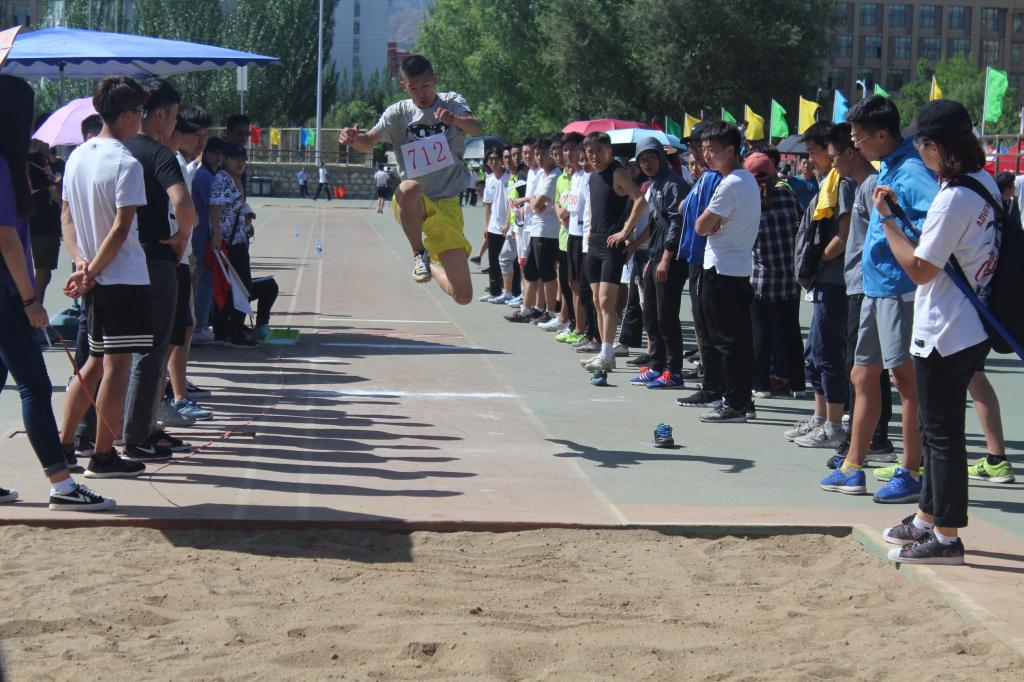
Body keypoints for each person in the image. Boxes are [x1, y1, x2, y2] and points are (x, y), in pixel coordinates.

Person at [876, 100, 999, 565]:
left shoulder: (953, 198)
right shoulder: (982, 182)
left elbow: (921, 268)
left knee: (943, 436)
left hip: (946, 330)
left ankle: (946, 536)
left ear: (936, 147)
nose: (919, 152)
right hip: (969, 325)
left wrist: (888, 220)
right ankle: (928, 517)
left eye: (922, 144)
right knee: (935, 430)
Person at [0, 74, 117, 510]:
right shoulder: (2, 165)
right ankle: (63, 484)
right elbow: (6, 238)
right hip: (6, 294)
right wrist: (31, 300)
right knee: (35, 385)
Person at [821, 95, 936, 502]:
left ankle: (911, 470)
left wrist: (895, 221)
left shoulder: (912, 171)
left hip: (899, 290)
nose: (855, 145)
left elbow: (935, 222)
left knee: (905, 381)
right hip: (875, 288)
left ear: (882, 135)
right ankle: (853, 467)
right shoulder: (888, 166)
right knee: (861, 375)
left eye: (859, 138)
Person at [59, 75, 155, 478]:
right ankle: (102, 455)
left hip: (94, 277)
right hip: (122, 277)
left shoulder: (77, 157)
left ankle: (64, 446)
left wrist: (81, 263)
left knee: (93, 363)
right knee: (116, 367)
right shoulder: (125, 162)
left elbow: (66, 217)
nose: (142, 120)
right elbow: (120, 229)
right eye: (141, 112)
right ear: (128, 114)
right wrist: (93, 269)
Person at [339, 54, 481, 305]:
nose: (421, 93)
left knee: (463, 295)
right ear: (404, 87)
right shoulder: (398, 113)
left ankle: (432, 266)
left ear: (435, 80)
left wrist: (455, 120)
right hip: (414, 205)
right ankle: (419, 253)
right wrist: (352, 139)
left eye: (426, 85)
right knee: (410, 187)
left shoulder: (451, 102)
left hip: (447, 204)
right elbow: (367, 142)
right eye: (414, 88)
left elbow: (476, 127)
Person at [120, 78, 197, 462]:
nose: (176, 124)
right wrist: (183, 234)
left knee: (107, 355)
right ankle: (138, 434)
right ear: (161, 114)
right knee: (150, 353)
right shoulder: (159, 155)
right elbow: (183, 204)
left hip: (111, 261)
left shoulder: (111, 150)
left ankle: (90, 433)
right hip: (153, 259)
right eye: (175, 116)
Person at [824, 123, 894, 469]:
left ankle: (872, 438)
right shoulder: (858, 185)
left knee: (866, 369)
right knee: (861, 367)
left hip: (867, 286)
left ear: (851, 153)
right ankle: (864, 436)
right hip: (857, 283)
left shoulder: (871, 186)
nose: (832, 163)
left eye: (834, 156)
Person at [786, 122, 851, 449]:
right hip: (823, 280)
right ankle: (820, 416)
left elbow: (844, 235)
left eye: (814, 152)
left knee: (828, 353)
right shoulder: (828, 183)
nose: (809, 160)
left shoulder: (843, 185)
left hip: (835, 280)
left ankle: (834, 425)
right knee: (814, 352)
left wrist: (818, 260)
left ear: (832, 149)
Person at [692, 121, 761, 423]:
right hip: (736, 268)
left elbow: (701, 226)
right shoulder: (745, 180)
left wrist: (712, 223)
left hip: (722, 270)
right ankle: (742, 399)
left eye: (713, 150)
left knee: (726, 340)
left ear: (731, 150)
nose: (707, 155)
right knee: (738, 339)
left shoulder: (731, 183)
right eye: (704, 149)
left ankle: (734, 403)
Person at [580, 131, 648, 373]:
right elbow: (594, 205)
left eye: (599, 151)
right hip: (595, 242)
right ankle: (604, 352)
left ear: (609, 151)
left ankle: (608, 352)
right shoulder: (592, 176)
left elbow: (640, 201)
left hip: (612, 245)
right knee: (597, 301)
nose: (594, 156)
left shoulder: (617, 172)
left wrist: (625, 231)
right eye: (590, 152)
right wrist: (590, 228)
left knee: (607, 301)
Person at [165, 106, 213, 424]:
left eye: (205, 135)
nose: (202, 141)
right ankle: (176, 395)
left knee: (185, 326)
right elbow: (181, 209)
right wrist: (183, 240)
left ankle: (178, 386)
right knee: (177, 329)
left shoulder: (184, 163)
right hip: (174, 255)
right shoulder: (171, 161)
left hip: (183, 255)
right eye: (197, 134)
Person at [744, 152, 806, 400]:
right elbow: (802, 225)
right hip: (790, 277)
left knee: (760, 334)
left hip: (761, 278)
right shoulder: (788, 196)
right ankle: (798, 384)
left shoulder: (749, 203)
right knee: (791, 332)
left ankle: (760, 384)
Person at [631, 137, 689, 389]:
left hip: (671, 258)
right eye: (642, 160)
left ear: (661, 157)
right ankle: (657, 365)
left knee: (667, 316)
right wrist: (650, 258)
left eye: (651, 158)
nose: (647, 164)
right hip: (655, 256)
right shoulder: (654, 184)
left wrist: (665, 258)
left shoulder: (673, 184)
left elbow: (677, 222)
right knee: (651, 314)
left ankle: (674, 371)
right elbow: (655, 224)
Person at [210, 144, 279, 344]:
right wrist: (217, 234)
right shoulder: (222, 178)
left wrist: (247, 219)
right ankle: (232, 330)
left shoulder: (236, 179)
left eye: (243, 160)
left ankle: (235, 328)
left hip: (238, 240)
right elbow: (214, 205)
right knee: (239, 286)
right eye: (236, 160)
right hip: (228, 242)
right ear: (225, 160)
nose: (240, 164)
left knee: (241, 286)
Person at [509, 136, 562, 325]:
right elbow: (536, 201)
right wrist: (533, 201)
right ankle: (527, 309)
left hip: (548, 231)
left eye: (543, 154)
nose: (539, 158)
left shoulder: (554, 175)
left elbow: (538, 204)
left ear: (552, 155)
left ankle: (550, 311)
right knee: (530, 270)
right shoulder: (541, 175)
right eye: (537, 154)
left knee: (547, 273)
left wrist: (530, 201)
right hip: (536, 230)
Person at [190, 136, 224, 346]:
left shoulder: (210, 174)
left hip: (203, 234)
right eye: (214, 152)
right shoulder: (203, 176)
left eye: (221, 153)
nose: (218, 157)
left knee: (203, 282)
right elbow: (212, 206)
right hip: (202, 236)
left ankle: (200, 323)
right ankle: (199, 325)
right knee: (204, 281)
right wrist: (217, 234)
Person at [27, 140, 62, 307]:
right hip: (36, 221)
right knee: (41, 269)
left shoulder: (60, 163)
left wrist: (53, 180)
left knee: (46, 271)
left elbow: (61, 196)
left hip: (52, 221)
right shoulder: (31, 161)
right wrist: (47, 183)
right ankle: (34, 306)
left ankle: (36, 305)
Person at [479, 150, 510, 301]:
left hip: (507, 226)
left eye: (496, 158)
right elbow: (488, 205)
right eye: (490, 159)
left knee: (507, 260)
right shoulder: (490, 179)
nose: (493, 162)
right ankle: (495, 291)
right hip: (493, 227)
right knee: (493, 260)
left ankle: (508, 290)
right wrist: (487, 225)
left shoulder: (508, 177)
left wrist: (508, 223)